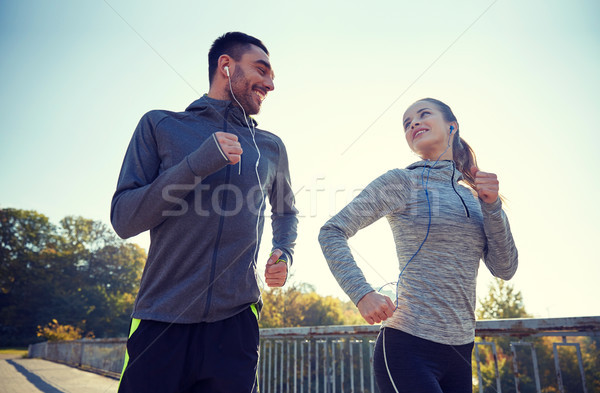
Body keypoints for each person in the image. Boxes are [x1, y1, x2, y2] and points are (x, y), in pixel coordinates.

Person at [111, 32, 298, 393]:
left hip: (236, 326)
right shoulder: (161, 126)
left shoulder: (271, 146)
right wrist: (197, 163)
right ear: (226, 66)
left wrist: (284, 252)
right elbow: (123, 218)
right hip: (161, 319)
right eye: (262, 70)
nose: (270, 84)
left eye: (272, 76)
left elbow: (287, 212)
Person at [318, 98, 518, 393]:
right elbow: (331, 231)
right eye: (407, 122)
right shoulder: (402, 181)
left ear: (453, 125)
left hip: (461, 351)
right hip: (407, 345)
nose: (413, 123)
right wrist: (362, 294)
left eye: (424, 114)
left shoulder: (477, 199)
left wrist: (493, 207)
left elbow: (505, 269)